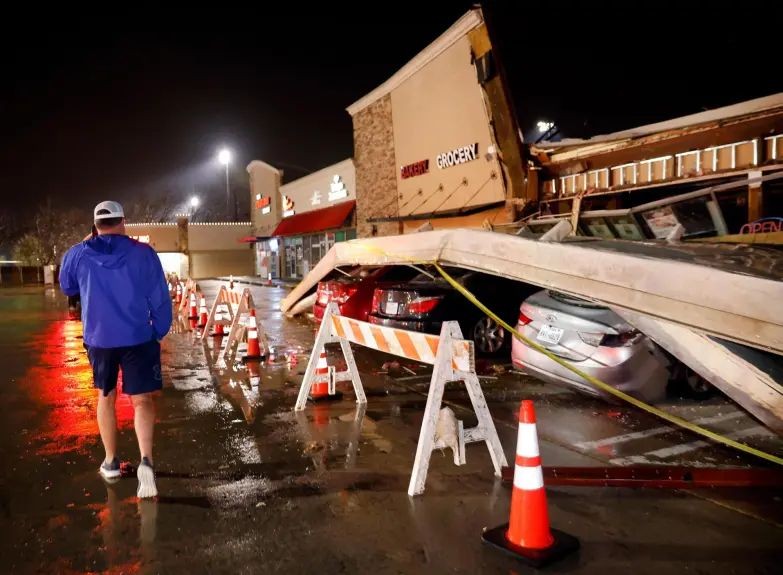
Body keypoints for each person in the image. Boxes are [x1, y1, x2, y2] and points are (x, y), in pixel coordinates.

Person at [60, 201, 172, 498]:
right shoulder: (143, 253)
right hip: (138, 336)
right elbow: (160, 296)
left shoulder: (79, 254)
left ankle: (110, 461)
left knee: (105, 397)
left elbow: (66, 286)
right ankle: (145, 460)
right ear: (123, 221)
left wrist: (84, 243)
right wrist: (159, 331)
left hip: (99, 338)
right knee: (141, 400)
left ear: (95, 225)